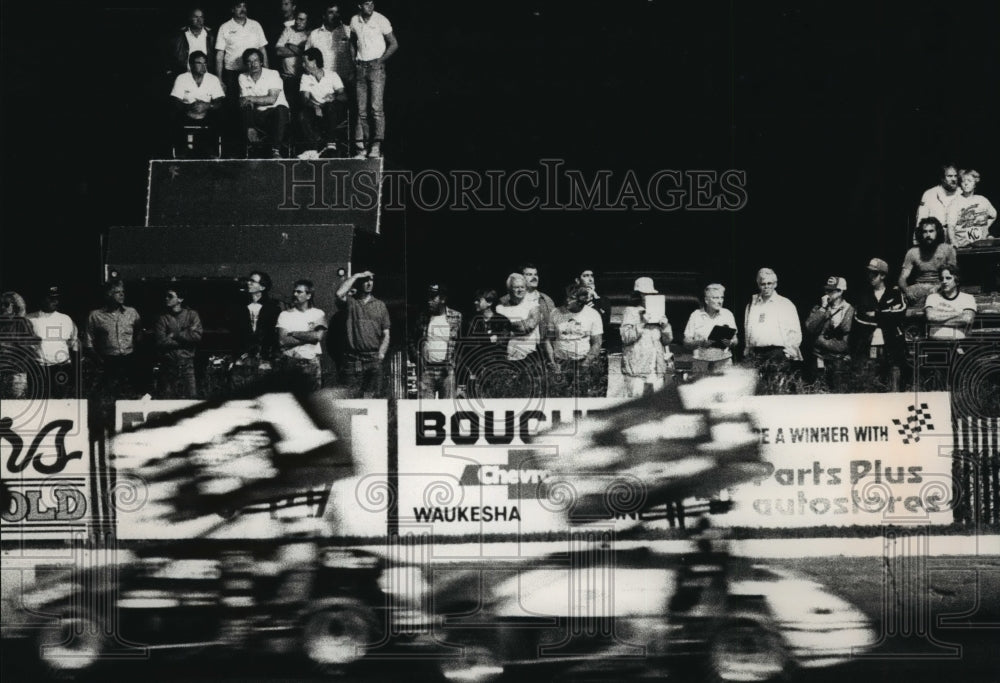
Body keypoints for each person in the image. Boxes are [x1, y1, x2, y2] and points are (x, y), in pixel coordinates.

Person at [350, 1, 398, 159]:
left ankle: (376, 145)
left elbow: (394, 44)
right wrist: (354, 59)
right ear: (359, 5)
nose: (369, 6)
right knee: (361, 110)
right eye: (365, 3)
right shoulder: (354, 20)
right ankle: (364, 146)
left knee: (376, 109)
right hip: (360, 68)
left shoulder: (381, 20)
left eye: (371, 2)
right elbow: (352, 41)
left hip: (376, 68)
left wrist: (380, 60)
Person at [850, 258, 905, 392]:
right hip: (869, 346)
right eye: (869, 273)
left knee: (893, 387)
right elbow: (858, 319)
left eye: (874, 274)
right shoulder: (863, 295)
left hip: (892, 346)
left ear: (883, 275)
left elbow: (899, 314)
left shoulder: (895, 293)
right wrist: (886, 315)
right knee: (870, 386)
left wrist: (875, 315)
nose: (870, 277)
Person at [743, 267, 801, 389]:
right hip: (756, 353)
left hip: (777, 353)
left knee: (777, 390)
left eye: (769, 283)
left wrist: (788, 353)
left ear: (775, 284)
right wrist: (748, 349)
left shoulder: (785, 303)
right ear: (758, 285)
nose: (766, 286)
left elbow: (794, 331)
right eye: (763, 284)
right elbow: (747, 329)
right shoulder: (752, 305)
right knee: (758, 390)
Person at [84, 280, 143, 399]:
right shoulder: (95, 315)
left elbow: (139, 332)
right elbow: (88, 340)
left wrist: (136, 352)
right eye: (117, 292)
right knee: (109, 395)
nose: (122, 295)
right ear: (108, 295)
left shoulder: (132, 312)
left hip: (129, 359)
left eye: (123, 292)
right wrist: (98, 360)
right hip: (108, 361)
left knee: (131, 394)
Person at [336, 270, 390, 398]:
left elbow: (386, 333)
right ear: (358, 283)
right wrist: (356, 276)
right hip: (353, 360)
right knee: (351, 399)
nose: (369, 283)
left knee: (371, 399)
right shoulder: (351, 302)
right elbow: (339, 294)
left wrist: (381, 354)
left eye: (371, 280)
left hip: (373, 359)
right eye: (365, 280)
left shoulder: (380, 305)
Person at [496, 273, 548, 397]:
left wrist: (508, 325)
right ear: (509, 289)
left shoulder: (533, 306)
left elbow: (528, 326)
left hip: (530, 358)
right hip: (508, 359)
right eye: (516, 287)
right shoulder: (500, 308)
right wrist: (519, 325)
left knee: (530, 394)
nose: (520, 290)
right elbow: (500, 330)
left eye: (522, 287)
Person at [620, 277, 673, 397]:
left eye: (651, 294)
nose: (648, 296)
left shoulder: (658, 311)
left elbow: (667, 340)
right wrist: (642, 322)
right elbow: (626, 337)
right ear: (639, 295)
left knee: (657, 403)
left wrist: (665, 326)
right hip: (637, 367)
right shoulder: (630, 311)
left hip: (656, 366)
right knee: (634, 402)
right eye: (645, 294)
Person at [549, 283, 605, 397]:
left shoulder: (593, 315)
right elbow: (547, 340)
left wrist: (585, 364)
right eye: (566, 297)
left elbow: (597, 343)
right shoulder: (555, 313)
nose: (567, 300)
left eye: (571, 298)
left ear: (581, 299)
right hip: (560, 363)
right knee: (558, 398)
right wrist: (553, 363)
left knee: (581, 399)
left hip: (583, 361)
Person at [408, 284, 462, 399]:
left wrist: (453, 363)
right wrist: (418, 358)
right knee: (426, 409)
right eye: (428, 297)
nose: (429, 301)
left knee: (448, 408)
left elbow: (461, 343)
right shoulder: (423, 317)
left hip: (447, 371)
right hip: (427, 370)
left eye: (433, 298)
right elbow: (411, 339)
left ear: (443, 299)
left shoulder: (456, 317)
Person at [169, 51, 226, 157]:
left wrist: (207, 106)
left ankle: (212, 152)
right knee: (173, 114)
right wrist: (190, 107)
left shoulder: (212, 79)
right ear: (190, 65)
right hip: (187, 111)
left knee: (220, 114)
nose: (203, 66)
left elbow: (220, 100)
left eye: (205, 63)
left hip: (207, 112)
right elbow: (175, 100)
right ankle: (180, 151)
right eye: (199, 63)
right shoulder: (182, 78)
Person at [803, 277, 854, 390]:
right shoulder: (820, 308)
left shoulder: (849, 310)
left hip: (838, 362)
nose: (827, 294)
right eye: (826, 290)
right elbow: (810, 327)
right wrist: (823, 309)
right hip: (819, 359)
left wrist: (821, 341)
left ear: (840, 291)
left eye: (831, 291)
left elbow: (844, 344)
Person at [27, 286, 78, 399]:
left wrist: (74, 372)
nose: (55, 301)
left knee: (61, 403)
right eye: (51, 298)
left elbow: (73, 345)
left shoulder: (66, 319)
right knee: (39, 404)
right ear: (41, 299)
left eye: (57, 298)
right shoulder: (29, 320)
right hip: (39, 370)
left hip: (61, 368)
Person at [459, 289, 512, 397]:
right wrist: (489, 339)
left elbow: (501, 343)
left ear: (489, 303)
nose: (475, 302)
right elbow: (468, 344)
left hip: (497, 372)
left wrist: (482, 339)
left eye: (478, 300)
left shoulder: (503, 321)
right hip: (474, 372)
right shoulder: (470, 322)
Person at [239, 47, 290, 157]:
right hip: (259, 115)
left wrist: (251, 98)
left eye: (256, 60)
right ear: (245, 64)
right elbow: (245, 102)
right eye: (249, 61)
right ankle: (251, 137)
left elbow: (272, 99)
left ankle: (275, 150)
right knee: (244, 108)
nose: (253, 64)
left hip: (278, 114)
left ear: (261, 62)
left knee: (280, 109)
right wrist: (249, 125)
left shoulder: (273, 74)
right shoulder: (242, 77)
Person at [277, 279, 327, 391]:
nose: (295, 294)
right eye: (294, 291)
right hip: (291, 360)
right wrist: (309, 336)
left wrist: (293, 333)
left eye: (299, 292)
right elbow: (283, 341)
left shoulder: (318, 314)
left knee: (314, 398)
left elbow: (318, 337)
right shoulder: (285, 315)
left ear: (308, 295)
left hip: (311, 361)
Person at [154, 287, 203, 398]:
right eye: (166, 296)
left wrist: (174, 335)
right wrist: (186, 337)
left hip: (187, 365)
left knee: (191, 399)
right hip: (168, 365)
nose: (166, 298)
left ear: (180, 299)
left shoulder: (192, 315)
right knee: (168, 399)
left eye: (170, 296)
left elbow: (196, 336)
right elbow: (161, 341)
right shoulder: (162, 318)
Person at [899, 217, 957, 306]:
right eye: (925, 232)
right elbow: (902, 278)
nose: (928, 235)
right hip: (919, 288)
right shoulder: (912, 252)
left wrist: (939, 287)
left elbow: (953, 275)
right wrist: (907, 290)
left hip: (940, 286)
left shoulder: (948, 249)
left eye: (931, 231)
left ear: (937, 232)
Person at [683, 283, 738, 375]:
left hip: (723, 362)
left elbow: (735, 339)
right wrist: (700, 343)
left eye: (722, 298)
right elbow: (686, 341)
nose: (720, 301)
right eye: (715, 298)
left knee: (723, 388)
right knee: (700, 388)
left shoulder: (728, 314)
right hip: (701, 362)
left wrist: (731, 343)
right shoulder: (696, 315)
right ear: (706, 300)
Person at [216, 1, 269, 96]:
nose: (242, 9)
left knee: (254, 101)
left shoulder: (256, 25)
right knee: (233, 103)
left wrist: (267, 71)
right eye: (239, 6)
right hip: (232, 73)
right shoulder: (224, 27)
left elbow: (262, 49)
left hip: (254, 71)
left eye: (244, 6)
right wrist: (219, 79)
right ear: (232, 9)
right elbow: (219, 55)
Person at [299, 47, 346, 153]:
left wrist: (334, 96)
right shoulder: (305, 77)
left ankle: (330, 144)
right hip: (316, 108)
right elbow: (305, 98)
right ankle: (312, 149)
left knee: (330, 107)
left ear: (314, 62)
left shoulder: (332, 75)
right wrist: (315, 106)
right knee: (302, 115)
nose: (303, 65)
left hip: (332, 109)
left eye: (305, 62)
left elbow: (343, 95)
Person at [307, 3, 356, 90]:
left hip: (346, 81)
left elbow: (357, 55)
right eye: (331, 12)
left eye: (337, 12)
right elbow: (306, 58)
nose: (335, 15)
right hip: (323, 83)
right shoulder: (314, 34)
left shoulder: (348, 31)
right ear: (324, 16)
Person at [0, 291, 39, 399]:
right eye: (1, 304)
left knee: (16, 405)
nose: (2, 307)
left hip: (16, 372)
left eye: (6, 304)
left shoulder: (22, 322)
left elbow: (31, 348)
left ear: (16, 307)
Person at [945, 169, 997, 248]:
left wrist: (985, 227)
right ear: (960, 184)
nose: (966, 183)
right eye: (963, 181)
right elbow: (950, 227)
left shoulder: (982, 200)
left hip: (982, 245)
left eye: (969, 181)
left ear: (975, 183)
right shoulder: (955, 203)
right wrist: (954, 242)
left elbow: (994, 215)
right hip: (963, 246)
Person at [274, 9, 310, 118]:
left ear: (308, 21)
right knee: (289, 109)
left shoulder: (312, 33)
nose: (298, 21)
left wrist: (289, 45)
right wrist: (300, 50)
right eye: (297, 19)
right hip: (288, 78)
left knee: (303, 110)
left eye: (302, 19)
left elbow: (308, 54)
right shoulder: (288, 30)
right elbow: (278, 51)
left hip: (304, 78)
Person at [925, 265, 976, 340]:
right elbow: (931, 317)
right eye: (942, 279)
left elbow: (967, 319)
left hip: (960, 345)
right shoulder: (932, 297)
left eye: (948, 278)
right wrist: (957, 314)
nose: (944, 281)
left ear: (957, 280)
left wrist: (938, 322)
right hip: (936, 345)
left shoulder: (968, 298)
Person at [168, 7, 217, 78]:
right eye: (196, 17)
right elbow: (170, 54)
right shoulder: (180, 35)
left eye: (201, 17)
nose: (199, 20)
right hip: (185, 75)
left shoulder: (211, 35)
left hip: (206, 75)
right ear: (190, 18)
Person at [916, 164, 961, 232]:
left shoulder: (962, 193)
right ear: (942, 178)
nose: (954, 179)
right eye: (949, 176)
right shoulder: (929, 194)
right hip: (936, 238)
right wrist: (916, 241)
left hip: (958, 238)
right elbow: (920, 220)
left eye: (955, 176)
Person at [576, 268, 610, 337]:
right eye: (586, 276)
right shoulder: (574, 300)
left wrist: (596, 299)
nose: (590, 279)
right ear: (578, 280)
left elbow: (604, 323)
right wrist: (587, 299)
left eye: (592, 276)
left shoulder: (603, 299)